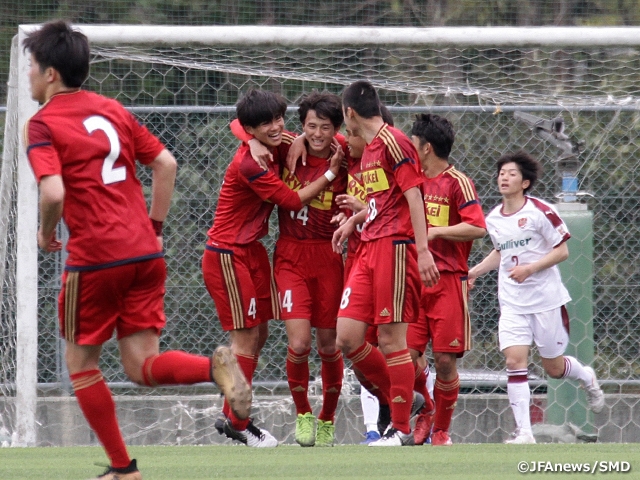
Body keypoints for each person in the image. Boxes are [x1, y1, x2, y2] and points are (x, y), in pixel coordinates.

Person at [22, 20, 252, 480]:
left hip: (95, 258)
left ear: (50, 74)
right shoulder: (113, 110)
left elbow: (52, 193)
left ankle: (123, 469)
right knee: (141, 365)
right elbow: (165, 162)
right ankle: (214, 367)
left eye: (31, 65)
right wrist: (155, 227)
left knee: (81, 365)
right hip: (144, 254)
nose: (27, 74)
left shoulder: (43, 123)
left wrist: (46, 233)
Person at [202, 88, 343, 448]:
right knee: (248, 338)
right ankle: (239, 420)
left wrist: (270, 137)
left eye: (280, 118)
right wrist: (329, 175)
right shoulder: (250, 163)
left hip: (253, 252)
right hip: (228, 254)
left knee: (259, 336)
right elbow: (293, 199)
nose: (277, 126)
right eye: (266, 123)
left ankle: (232, 416)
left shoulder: (279, 141)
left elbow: (320, 132)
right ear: (252, 129)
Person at [468, 151, 605, 444]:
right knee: (515, 361)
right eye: (502, 172)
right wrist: (475, 272)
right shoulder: (492, 218)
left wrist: (530, 268)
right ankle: (525, 433)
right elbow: (500, 252)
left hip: (545, 301)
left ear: (525, 182)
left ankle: (586, 377)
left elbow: (561, 251)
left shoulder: (540, 211)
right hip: (512, 302)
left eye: (512, 173)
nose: (504, 177)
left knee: (554, 369)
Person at [332, 81, 440, 447]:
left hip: (395, 248)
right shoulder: (370, 149)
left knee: (393, 341)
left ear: (349, 112)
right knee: (346, 336)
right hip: (370, 247)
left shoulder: (394, 141)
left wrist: (422, 250)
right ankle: (409, 399)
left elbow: (414, 196)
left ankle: (401, 428)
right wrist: (354, 221)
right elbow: (383, 202)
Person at [407, 114, 487, 446]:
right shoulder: (408, 180)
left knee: (444, 360)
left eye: (412, 143)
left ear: (425, 147)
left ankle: (441, 430)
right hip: (411, 281)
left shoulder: (457, 182)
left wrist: (436, 231)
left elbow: (478, 227)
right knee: (404, 356)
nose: (407, 149)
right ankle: (425, 408)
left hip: (447, 282)